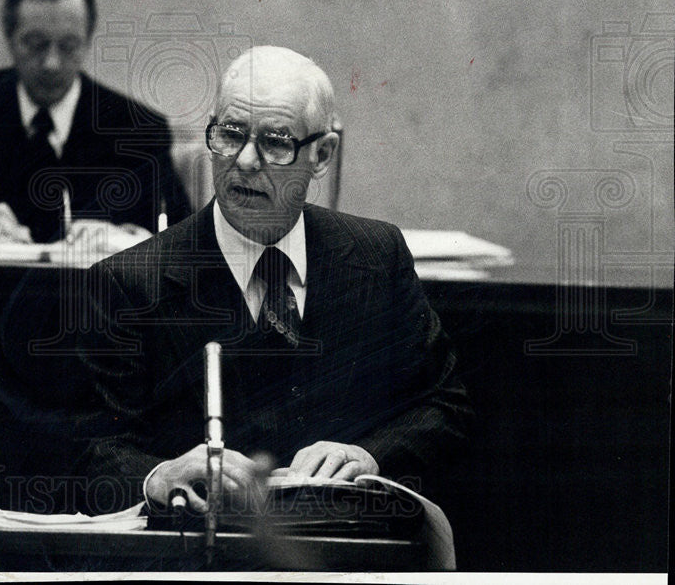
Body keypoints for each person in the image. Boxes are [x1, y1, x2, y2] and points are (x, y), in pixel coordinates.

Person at [77, 45, 472, 514]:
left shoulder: (376, 257)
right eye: (230, 134)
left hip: (341, 554)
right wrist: (157, 476)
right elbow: (91, 451)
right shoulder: (128, 283)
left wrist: (369, 455)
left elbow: (444, 406)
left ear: (322, 154)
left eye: (276, 141)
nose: (245, 160)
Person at [0, 0, 190, 243]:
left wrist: (127, 240)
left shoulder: (137, 128)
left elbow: (180, 245)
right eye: (35, 44)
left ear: (88, 40)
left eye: (69, 46)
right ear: (9, 38)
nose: (51, 64)